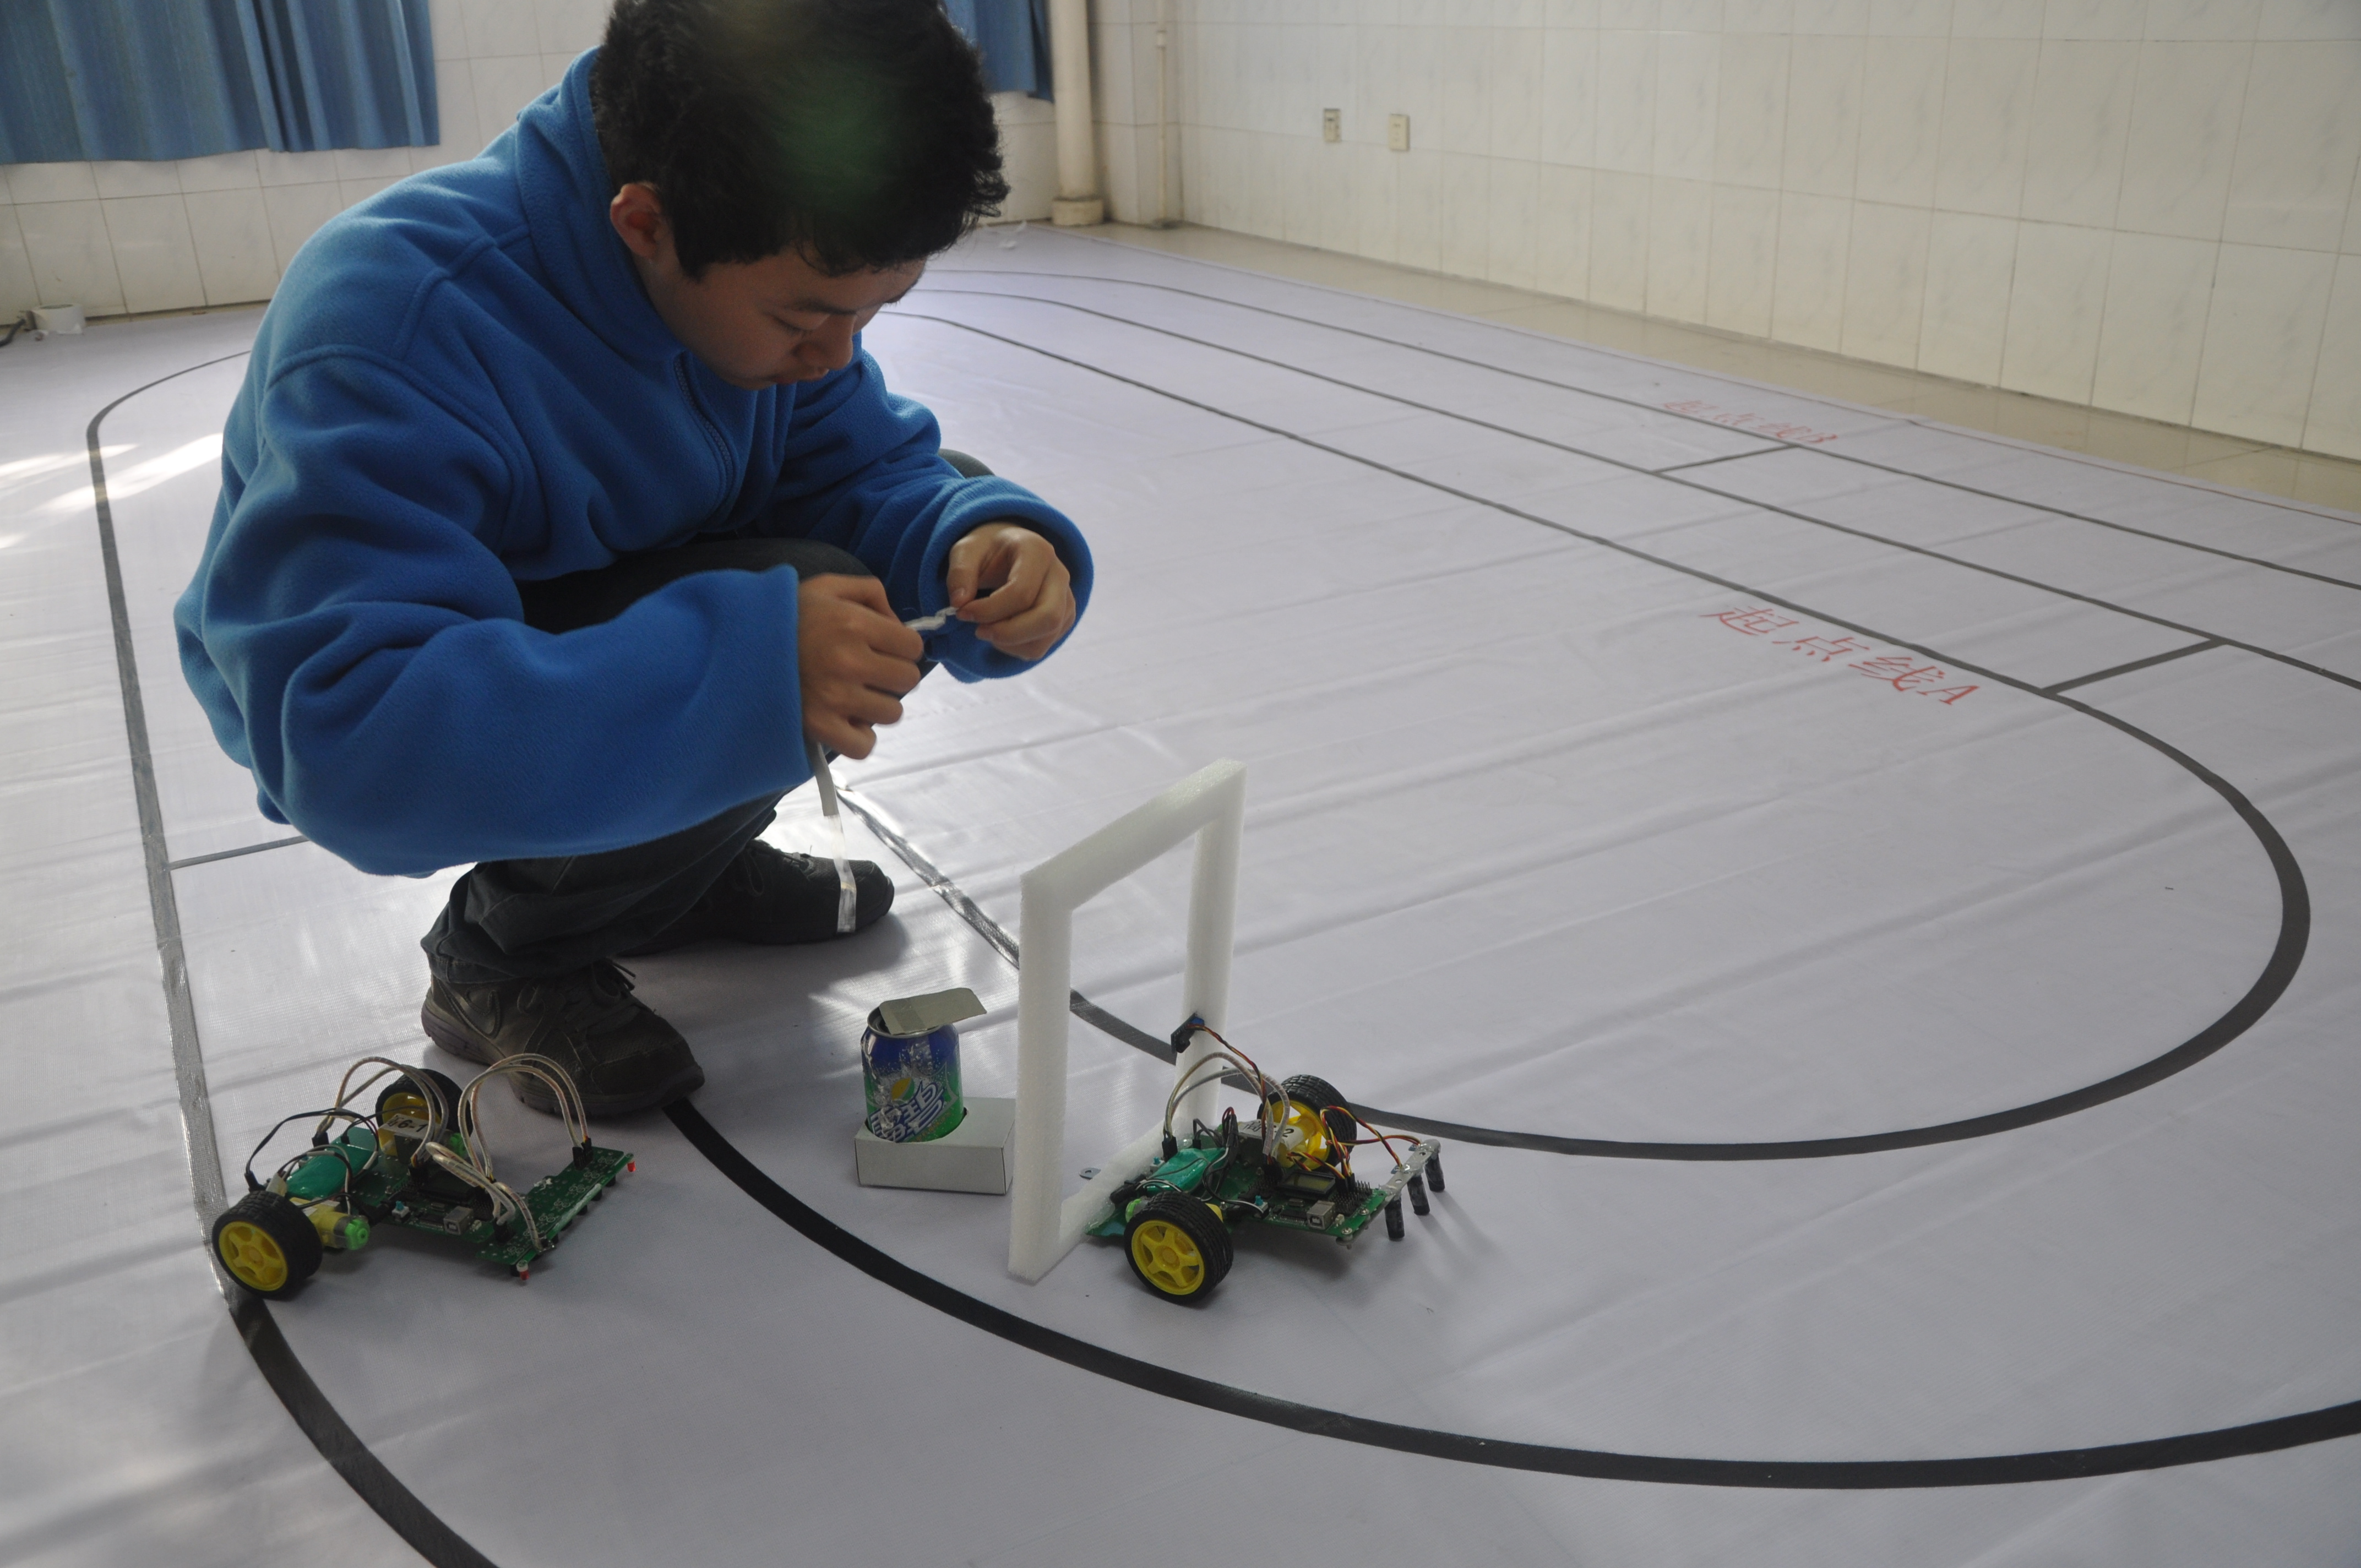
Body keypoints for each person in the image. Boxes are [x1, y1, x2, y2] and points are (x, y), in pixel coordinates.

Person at [173, 0, 1087, 1118]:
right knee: (779, 633)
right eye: (804, 320)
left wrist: (979, 541)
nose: (835, 355)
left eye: (872, 313)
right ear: (644, 224)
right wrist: (743, 675)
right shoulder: (395, 316)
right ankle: (509, 950)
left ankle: (667, 872)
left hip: (599, 602)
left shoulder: (739, 251)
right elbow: (349, 737)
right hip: (392, 683)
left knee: (911, 549)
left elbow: (860, 467)